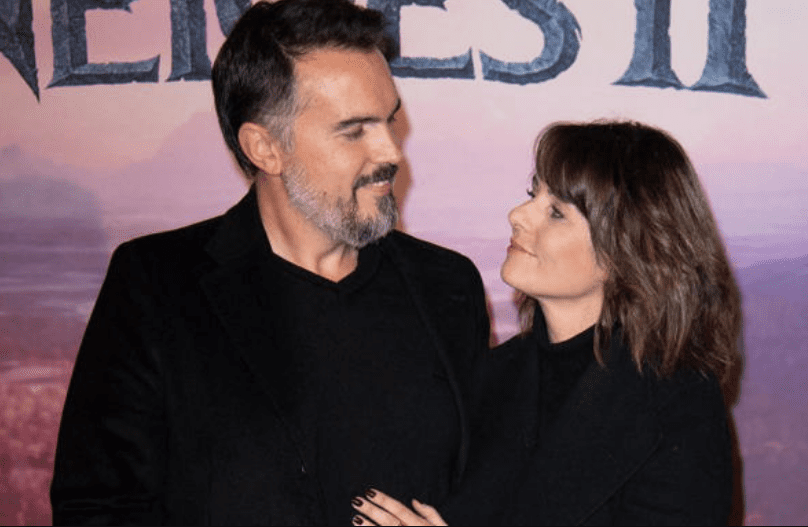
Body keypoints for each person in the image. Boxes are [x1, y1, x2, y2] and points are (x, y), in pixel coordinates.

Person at [50, 1, 490, 524]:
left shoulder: (448, 286)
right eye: (354, 130)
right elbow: (96, 507)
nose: (391, 152)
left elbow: (487, 489)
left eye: (389, 121)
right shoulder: (156, 286)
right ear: (264, 148)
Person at [351, 121, 741, 526]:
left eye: (556, 212)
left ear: (626, 252)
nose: (517, 215)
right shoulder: (492, 377)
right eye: (531, 194)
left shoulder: (678, 404)